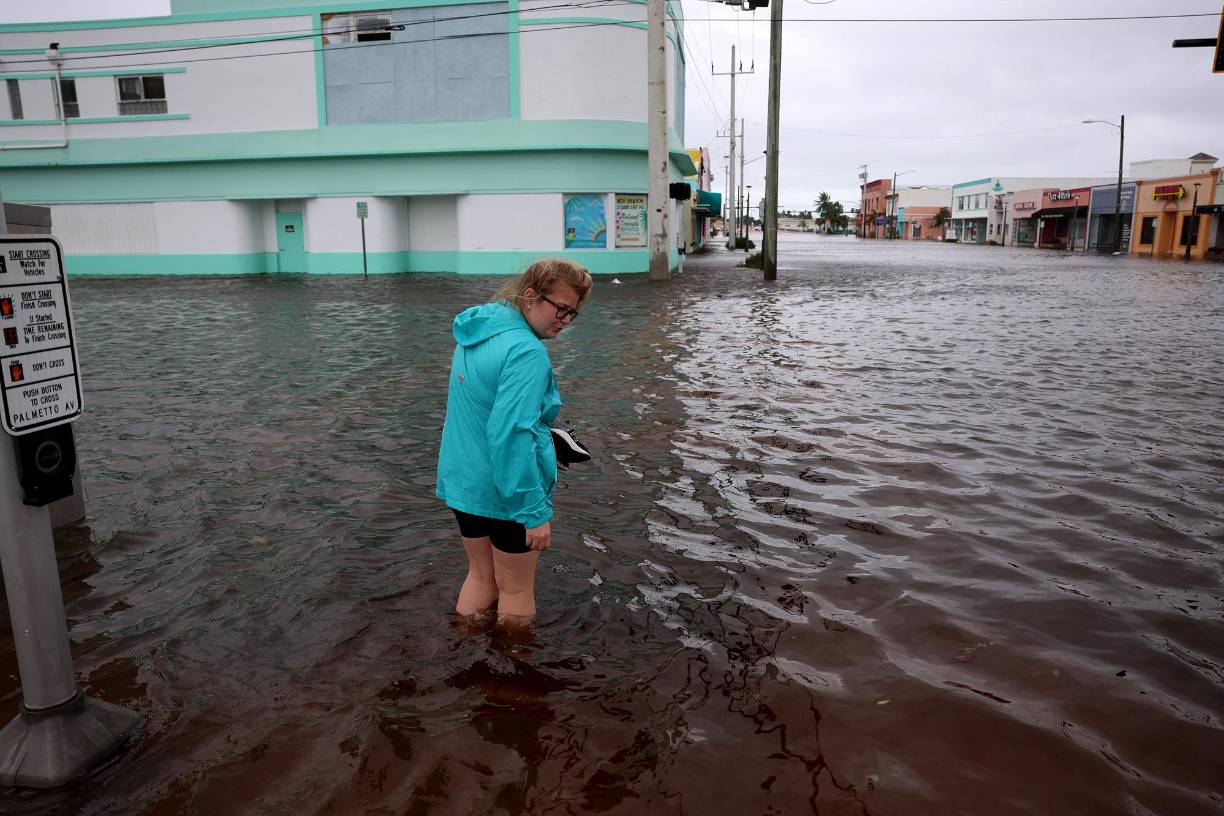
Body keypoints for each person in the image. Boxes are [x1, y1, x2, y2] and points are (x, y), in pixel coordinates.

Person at [436, 258, 593, 627]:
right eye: (561, 308)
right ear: (529, 296)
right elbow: (511, 434)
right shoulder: (526, 352)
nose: (566, 321)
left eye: (574, 314)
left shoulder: (477, 330)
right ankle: (513, 676)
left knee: (480, 577)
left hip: (465, 482)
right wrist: (533, 511)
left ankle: (468, 654)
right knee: (516, 590)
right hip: (506, 493)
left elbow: (484, 411)